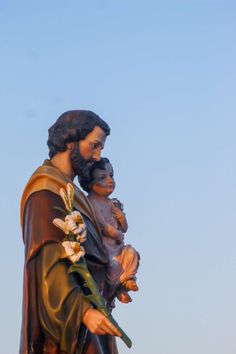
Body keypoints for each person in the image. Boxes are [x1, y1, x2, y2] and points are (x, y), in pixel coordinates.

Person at [20, 110, 121, 354]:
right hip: (69, 323)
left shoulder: (73, 193)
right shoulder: (45, 192)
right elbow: (48, 263)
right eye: (94, 146)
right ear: (70, 141)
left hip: (91, 318)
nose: (97, 157)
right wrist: (83, 312)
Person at [79, 158, 140, 304]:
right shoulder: (92, 202)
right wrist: (115, 233)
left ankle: (125, 283)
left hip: (118, 247)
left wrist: (121, 217)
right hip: (105, 248)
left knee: (131, 253)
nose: (109, 180)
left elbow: (124, 227)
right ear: (90, 184)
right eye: (102, 177)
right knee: (113, 264)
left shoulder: (112, 203)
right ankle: (116, 288)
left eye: (111, 175)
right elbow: (102, 224)